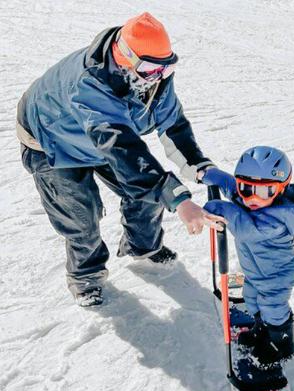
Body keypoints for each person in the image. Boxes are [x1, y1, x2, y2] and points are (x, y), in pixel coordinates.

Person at [16, 12, 224, 307]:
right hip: (53, 140)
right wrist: (178, 199)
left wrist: (199, 165)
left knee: (146, 191)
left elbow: (172, 123)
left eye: (165, 68)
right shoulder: (89, 85)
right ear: (124, 55)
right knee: (81, 215)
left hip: (100, 137)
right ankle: (85, 275)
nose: (159, 77)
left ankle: (142, 248)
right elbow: (121, 147)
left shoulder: (153, 77)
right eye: (151, 68)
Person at [199, 146, 294, 367]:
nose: (253, 198)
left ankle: (281, 342)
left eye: (264, 191)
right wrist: (215, 176)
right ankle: (261, 329)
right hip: (255, 273)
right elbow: (234, 191)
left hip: (277, 276)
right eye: (246, 188)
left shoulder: (278, 219)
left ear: (281, 188)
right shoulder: (256, 199)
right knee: (251, 300)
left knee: (273, 308)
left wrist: (218, 208)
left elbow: (244, 227)